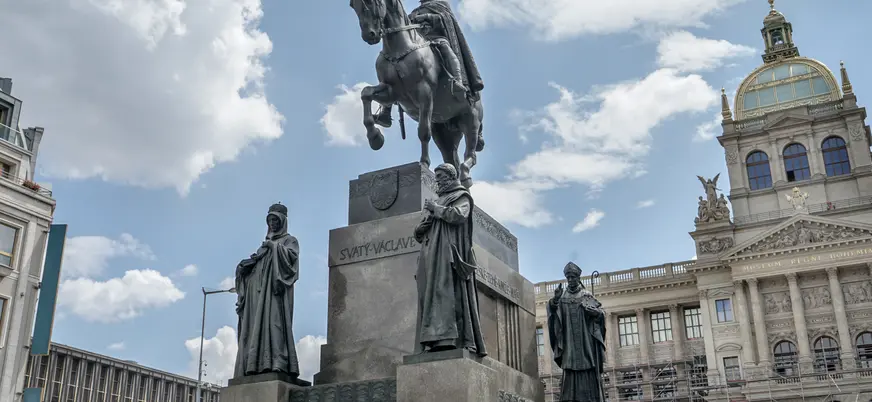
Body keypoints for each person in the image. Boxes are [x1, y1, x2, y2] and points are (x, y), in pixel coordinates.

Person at [412, 163, 487, 355]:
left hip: (447, 255)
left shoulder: (461, 196)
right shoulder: (436, 200)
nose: (437, 180)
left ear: (450, 176)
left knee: (445, 294)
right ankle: (432, 340)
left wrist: (436, 209)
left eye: (440, 176)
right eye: (436, 176)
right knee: (430, 296)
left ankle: (448, 339)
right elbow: (422, 230)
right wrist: (420, 229)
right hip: (430, 254)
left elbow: (459, 215)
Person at [374, 0, 484, 130]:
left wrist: (427, 18)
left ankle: (457, 82)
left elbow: (445, 19)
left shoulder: (440, 4)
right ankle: (386, 110)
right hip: (418, 44)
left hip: (437, 39)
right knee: (391, 63)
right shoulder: (416, 11)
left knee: (447, 51)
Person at [234, 203, 301, 378]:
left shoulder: (289, 241)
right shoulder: (263, 246)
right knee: (256, 328)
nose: (272, 223)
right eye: (270, 220)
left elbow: (291, 262)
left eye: (275, 220)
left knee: (275, 325)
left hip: (274, 293)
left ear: (283, 221)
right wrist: (246, 268)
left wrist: (273, 247)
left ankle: (278, 362)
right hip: (257, 294)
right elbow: (258, 266)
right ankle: (255, 364)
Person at [548, 262, 607, 402]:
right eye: (568, 277)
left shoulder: (586, 295)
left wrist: (596, 314)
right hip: (569, 344)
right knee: (570, 370)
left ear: (578, 278)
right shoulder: (562, 297)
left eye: (573, 277)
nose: (570, 280)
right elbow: (553, 314)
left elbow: (601, 313)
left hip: (586, 344)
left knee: (588, 368)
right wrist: (555, 300)